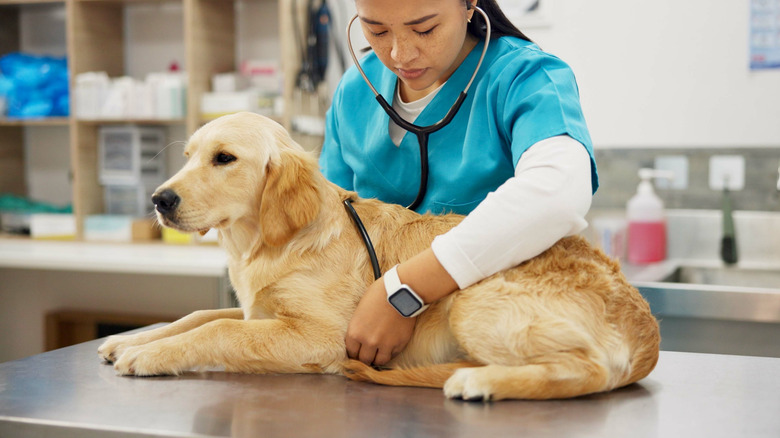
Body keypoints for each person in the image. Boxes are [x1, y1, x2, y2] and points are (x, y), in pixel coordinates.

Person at [319, 0, 598, 367]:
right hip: (378, 359)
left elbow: (558, 194)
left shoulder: (525, 77)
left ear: (469, 5)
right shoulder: (354, 91)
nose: (400, 53)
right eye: (377, 31)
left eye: (424, 29)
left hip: (495, 346)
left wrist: (406, 290)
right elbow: (323, 230)